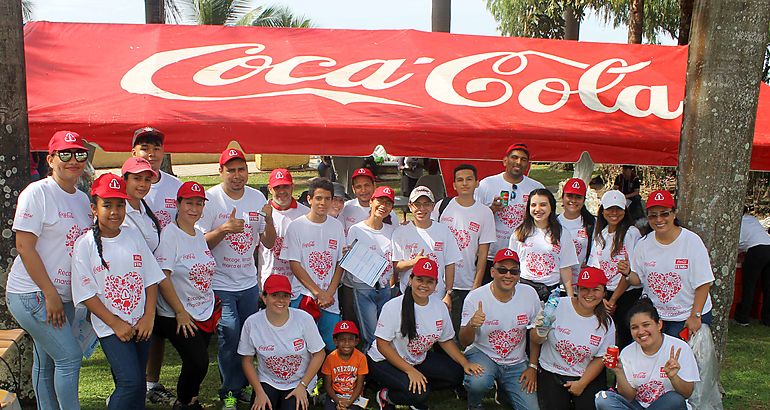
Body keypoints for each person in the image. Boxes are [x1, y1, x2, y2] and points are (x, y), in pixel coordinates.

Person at [6, 131, 92, 410]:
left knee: (49, 363)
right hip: (33, 294)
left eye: (80, 154)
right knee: (69, 358)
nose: (73, 160)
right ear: (51, 159)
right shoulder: (38, 192)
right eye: (65, 154)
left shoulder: (81, 199)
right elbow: (24, 246)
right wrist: (49, 293)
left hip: (63, 296)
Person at [71, 173, 165, 409]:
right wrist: (115, 324)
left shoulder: (133, 236)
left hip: (141, 325)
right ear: (94, 208)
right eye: (107, 205)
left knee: (138, 384)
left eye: (120, 205)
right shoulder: (85, 245)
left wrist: (148, 317)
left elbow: (151, 279)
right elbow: (86, 294)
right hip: (112, 328)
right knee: (130, 383)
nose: (114, 211)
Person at [196, 148, 277, 407]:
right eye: (230, 170)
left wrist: (270, 220)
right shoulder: (211, 199)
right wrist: (223, 229)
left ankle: (242, 384)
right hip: (220, 283)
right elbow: (198, 244)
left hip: (248, 283)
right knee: (230, 335)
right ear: (221, 172)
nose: (237, 175)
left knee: (248, 337)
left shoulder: (256, 198)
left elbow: (269, 241)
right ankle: (229, 391)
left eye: (241, 169)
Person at [367, 258, 483, 410]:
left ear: (435, 285)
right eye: (419, 279)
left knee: (457, 374)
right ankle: (385, 395)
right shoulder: (393, 307)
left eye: (429, 281)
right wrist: (410, 371)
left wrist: (465, 362)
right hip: (383, 360)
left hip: (417, 359)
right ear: (410, 280)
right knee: (420, 395)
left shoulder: (439, 307)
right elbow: (382, 345)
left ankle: (414, 384)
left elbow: (446, 341)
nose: (424, 285)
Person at [154, 181, 218, 410]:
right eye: (189, 203)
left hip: (203, 310)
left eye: (199, 204)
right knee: (198, 362)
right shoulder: (170, 235)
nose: (194, 208)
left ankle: (192, 401)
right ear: (178, 204)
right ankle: (183, 402)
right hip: (177, 313)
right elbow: (163, 277)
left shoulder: (198, 234)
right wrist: (180, 312)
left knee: (198, 363)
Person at [131, 126, 183, 405]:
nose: (151, 154)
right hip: (132, 270)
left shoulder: (174, 186)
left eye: (156, 148)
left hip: (167, 268)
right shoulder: (124, 183)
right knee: (132, 324)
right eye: (144, 148)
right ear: (133, 152)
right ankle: (130, 384)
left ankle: (150, 382)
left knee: (159, 326)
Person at [460, 249, 540, 410]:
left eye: (514, 271)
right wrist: (472, 325)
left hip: (516, 361)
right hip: (483, 354)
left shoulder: (530, 294)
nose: (508, 275)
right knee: (479, 383)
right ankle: (474, 404)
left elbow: (535, 334)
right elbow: (463, 341)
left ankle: (504, 392)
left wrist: (532, 366)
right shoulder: (475, 297)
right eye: (502, 269)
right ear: (492, 271)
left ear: (519, 274)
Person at [628, 190, 714, 338]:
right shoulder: (643, 244)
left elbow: (704, 283)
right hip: (656, 316)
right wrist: (626, 273)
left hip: (686, 316)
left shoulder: (692, 242)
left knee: (682, 359)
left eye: (664, 213)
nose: (659, 219)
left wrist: (695, 315)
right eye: (653, 215)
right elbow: (637, 279)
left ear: (674, 213)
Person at [532, 267, 616, 410]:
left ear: (604, 292)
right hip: (552, 372)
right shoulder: (557, 305)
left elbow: (600, 358)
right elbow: (535, 339)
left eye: (595, 289)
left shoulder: (607, 323)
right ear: (577, 290)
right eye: (585, 289)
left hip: (585, 376)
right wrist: (540, 331)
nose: (589, 294)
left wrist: (582, 383)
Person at [238, 275, 326, 410]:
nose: (281, 300)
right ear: (264, 297)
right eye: (275, 295)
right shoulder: (252, 323)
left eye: (285, 296)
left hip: (299, 381)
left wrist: (303, 386)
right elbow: (247, 360)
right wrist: (259, 392)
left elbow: (319, 354)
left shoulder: (304, 319)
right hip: (267, 380)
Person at [595, 298, 699, 410]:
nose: (640, 332)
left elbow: (687, 393)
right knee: (603, 399)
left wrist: (673, 377)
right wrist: (619, 372)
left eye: (646, 325)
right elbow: (629, 397)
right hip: (638, 405)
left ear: (659, 324)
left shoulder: (680, 348)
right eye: (634, 327)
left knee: (675, 399)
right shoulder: (627, 353)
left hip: (668, 406)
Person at [432, 164, 496, 339]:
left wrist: (476, 286)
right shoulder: (442, 206)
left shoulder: (484, 213)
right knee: (436, 329)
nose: (465, 183)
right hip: (438, 281)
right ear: (454, 184)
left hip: (466, 283)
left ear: (476, 183)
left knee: (459, 334)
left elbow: (483, 253)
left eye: (469, 179)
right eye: (460, 180)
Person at [282, 177, 346, 351]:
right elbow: (294, 264)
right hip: (304, 296)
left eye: (327, 198)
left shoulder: (337, 226)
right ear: (309, 199)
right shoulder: (296, 227)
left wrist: (329, 293)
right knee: (300, 344)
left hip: (330, 298)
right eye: (318, 198)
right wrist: (318, 293)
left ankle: (327, 378)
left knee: (331, 345)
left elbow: (341, 262)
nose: (322, 203)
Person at [476, 143, 545, 285]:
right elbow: (475, 220)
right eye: (514, 157)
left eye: (523, 159)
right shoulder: (487, 185)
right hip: (490, 255)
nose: (518, 162)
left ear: (528, 164)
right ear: (505, 161)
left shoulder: (536, 188)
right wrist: (492, 209)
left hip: (523, 257)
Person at [339, 168, 399, 324]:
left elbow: (394, 248)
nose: (363, 190)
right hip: (353, 280)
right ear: (353, 189)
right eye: (358, 186)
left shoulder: (390, 216)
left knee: (380, 323)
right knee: (354, 322)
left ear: (373, 186)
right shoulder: (346, 208)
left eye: (367, 185)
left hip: (382, 283)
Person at [392, 186, 462, 307]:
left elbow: (450, 264)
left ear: (433, 206)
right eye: (417, 204)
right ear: (410, 206)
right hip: (409, 297)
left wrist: (448, 293)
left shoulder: (443, 230)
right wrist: (414, 262)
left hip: (437, 297)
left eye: (426, 204)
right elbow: (396, 266)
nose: (421, 209)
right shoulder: (400, 232)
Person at [589, 190, 643, 349]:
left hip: (626, 294)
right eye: (610, 209)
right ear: (602, 210)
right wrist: (602, 297)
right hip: (605, 294)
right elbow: (595, 268)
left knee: (626, 339)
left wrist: (613, 300)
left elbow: (629, 270)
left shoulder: (631, 233)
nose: (614, 213)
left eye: (618, 209)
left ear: (625, 210)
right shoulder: (601, 234)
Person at [346, 186, 397, 349]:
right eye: (380, 201)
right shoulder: (356, 230)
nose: (383, 206)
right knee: (371, 335)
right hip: (364, 288)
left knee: (385, 332)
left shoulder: (392, 231)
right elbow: (350, 262)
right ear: (371, 202)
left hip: (385, 288)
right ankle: (370, 369)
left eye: (388, 203)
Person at [508, 189, 578, 301]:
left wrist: (570, 298)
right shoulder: (519, 233)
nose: (538, 209)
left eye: (543, 205)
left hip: (551, 292)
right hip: (524, 289)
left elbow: (565, 268)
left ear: (551, 208)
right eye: (533, 205)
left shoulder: (562, 234)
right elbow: (511, 265)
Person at [258, 168, 309, 299]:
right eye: (277, 187)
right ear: (270, 189)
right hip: (269, 281)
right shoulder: (261, 212)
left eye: (285, 186)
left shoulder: (305, 213)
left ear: (292, 187)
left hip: (297, 285)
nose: (281, 191)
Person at [321, 321, 369, 410]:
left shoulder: (361, 358)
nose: (346, 343)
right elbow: (327, 385)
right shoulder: (330, 358)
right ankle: (323, 399)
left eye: (350, 339)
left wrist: (349, 402)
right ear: (335, 341)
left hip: (353, 395)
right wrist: (338, 401)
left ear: (356, 341)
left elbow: (360, 385)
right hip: (335, 395)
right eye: (342, 339)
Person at [735, 208, 770, 326]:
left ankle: (743, 317)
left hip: (756, 250)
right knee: (768, 287)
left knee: (749, 285)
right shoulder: (752, 219)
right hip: (768, 245)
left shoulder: (736, 223)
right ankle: (766, 319)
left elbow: (736, 245)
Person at [558, 178, 596, 285]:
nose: (573, 200)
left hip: (583, 284)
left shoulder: (592, 223)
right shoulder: (553, 222)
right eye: (570, 196)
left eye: (578, 197)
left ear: (584, 200)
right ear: (563, 197)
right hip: (557, 284)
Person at [121, 157, 162, 254]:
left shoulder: (147, 212)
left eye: (147, 180)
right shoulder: (115, 214)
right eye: (137, 178)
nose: (143, 184)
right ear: (124, 180)